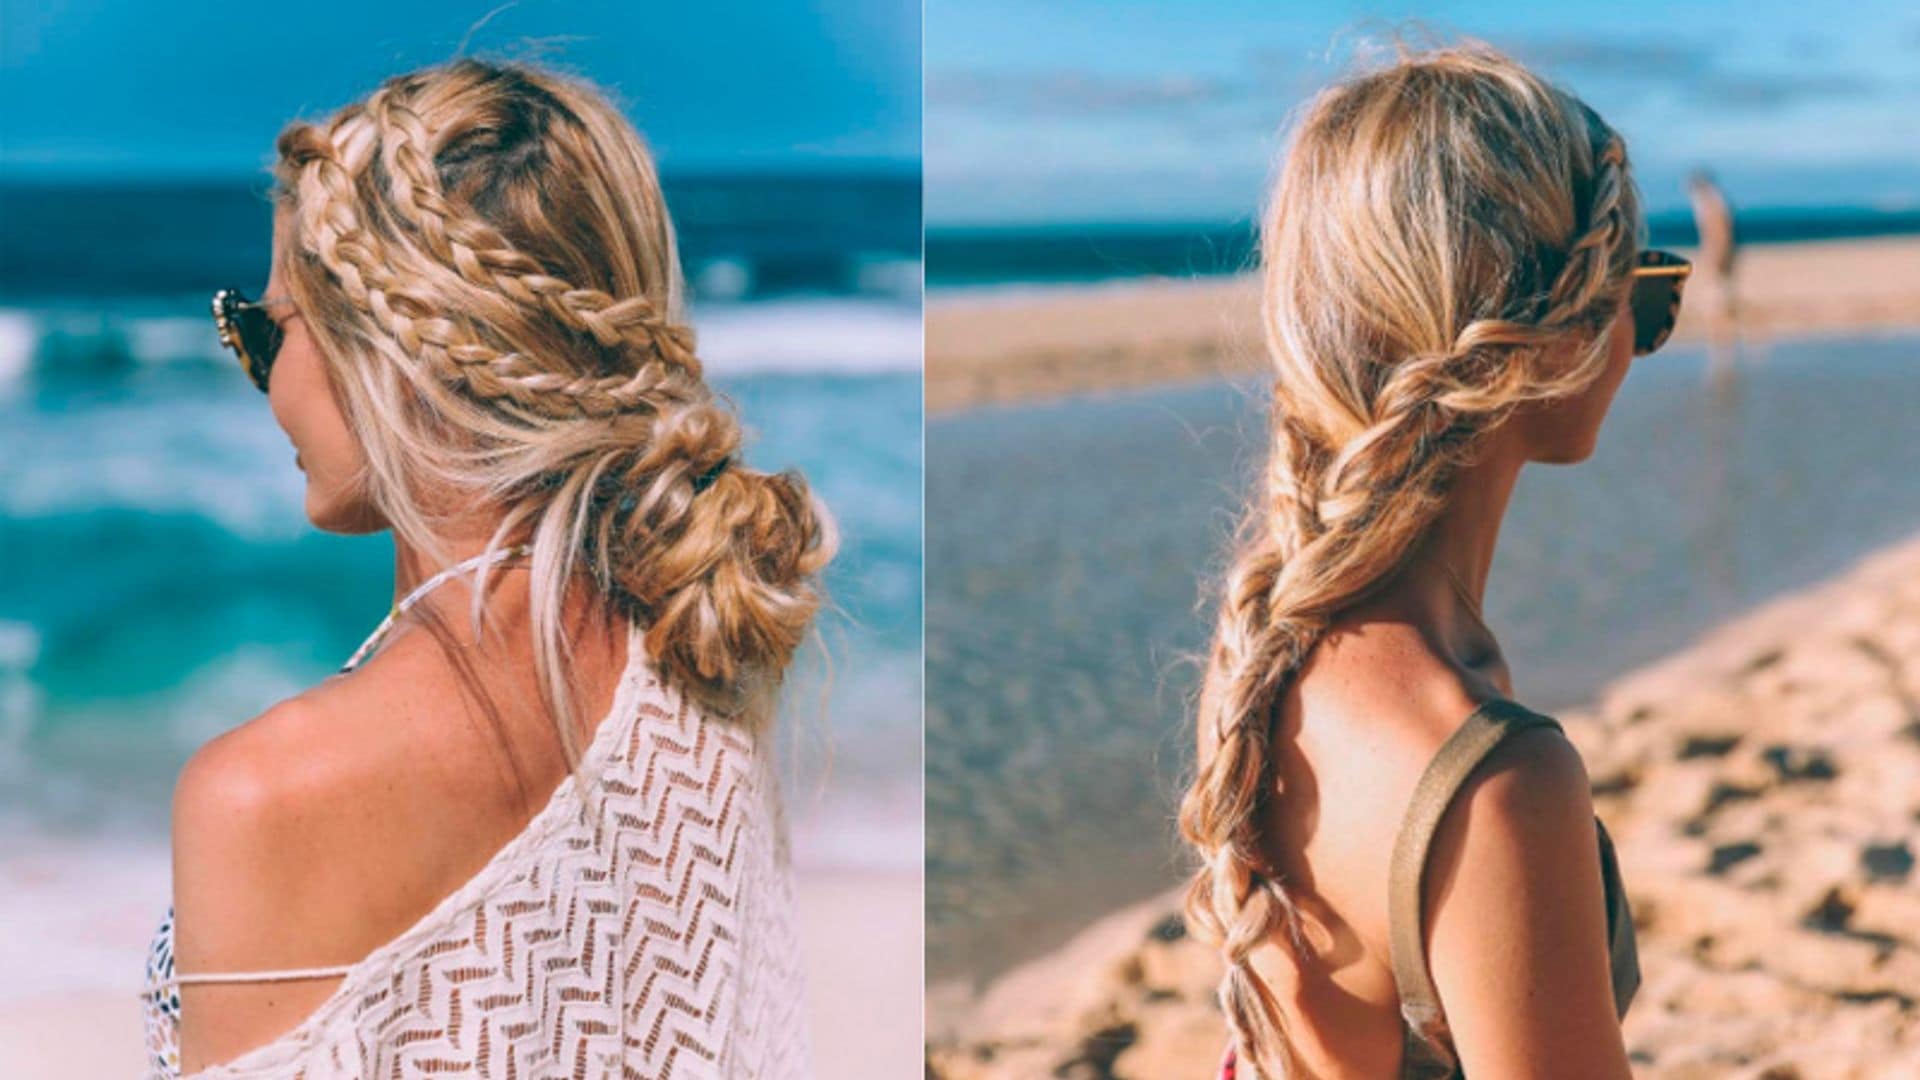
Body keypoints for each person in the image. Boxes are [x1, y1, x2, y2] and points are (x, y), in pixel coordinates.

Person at [139, 58, 834, 1079]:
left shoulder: (263, 793)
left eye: (265, 327)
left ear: (391, 344)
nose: (261, 375)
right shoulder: (708, 657)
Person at [1180, 42, 1688, 1078]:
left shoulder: (1263, 655)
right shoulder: (1494, 778)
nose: (1644, 334)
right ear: (1554, 343)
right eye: (1645, 292)